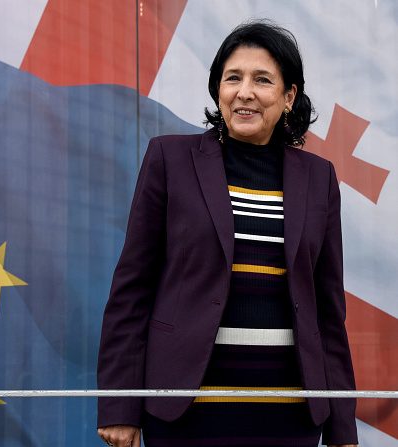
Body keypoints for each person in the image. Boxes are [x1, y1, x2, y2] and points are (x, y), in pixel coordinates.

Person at [97, 20, 358, 447]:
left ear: (289, 96)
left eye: (262, 80)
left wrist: (343, 426)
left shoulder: (320, 178)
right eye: (232, 77)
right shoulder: (170, 159)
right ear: (218, 89)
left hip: (290, 416)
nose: (244, 92)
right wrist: (120, 404)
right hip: (184, 410)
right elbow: (131, 290)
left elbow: (328, 312)